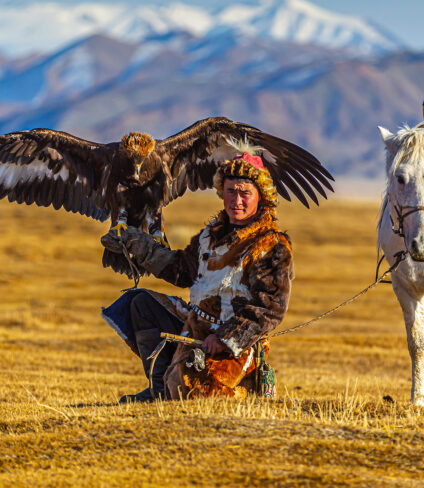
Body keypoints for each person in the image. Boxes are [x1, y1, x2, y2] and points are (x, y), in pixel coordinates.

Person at [100, 152, 293, 402]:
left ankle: (211, 387)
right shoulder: (208, 236)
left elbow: (270, 310)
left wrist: (225, 338)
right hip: (194, 325)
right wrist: (138, 244)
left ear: (261, 196)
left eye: (245, 192)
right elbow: (181, 270)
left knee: (196, 394)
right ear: (221, 192)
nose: (237, 200)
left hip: (236, 346)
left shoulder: (271, 245)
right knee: (140, 305)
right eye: (230, 191)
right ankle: (158, 389)